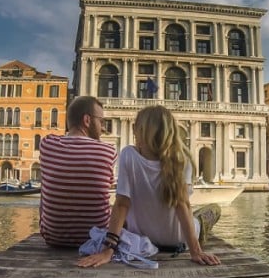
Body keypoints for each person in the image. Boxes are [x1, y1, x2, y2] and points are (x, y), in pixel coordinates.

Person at [77, 105, 221, 267]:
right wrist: (196, 251)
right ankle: (200, 224)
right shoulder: (181, 159)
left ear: (142, 130)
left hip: (143, 238)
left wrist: (107, 250)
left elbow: (122, 204)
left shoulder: (128, 155)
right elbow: (183, 206)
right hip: (178, 240)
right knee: (214, 209)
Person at [39, 96, 117, 247]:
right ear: (87, 120)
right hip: (95, 239)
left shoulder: (47, 144)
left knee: (46, 183)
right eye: (101, 121)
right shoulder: (108, 151)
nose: (103, 128)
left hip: (53, 238)